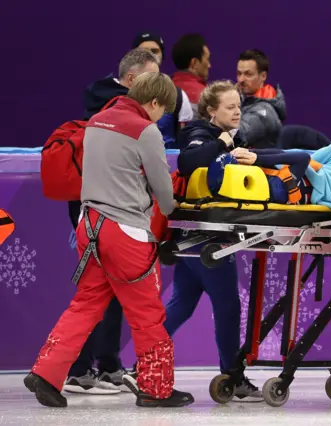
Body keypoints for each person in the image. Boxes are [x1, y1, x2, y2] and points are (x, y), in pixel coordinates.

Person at [24, 72, 194, 408]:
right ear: (156, 102)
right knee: (147, 312)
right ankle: (156, 388)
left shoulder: (97, 121)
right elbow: (163, 191)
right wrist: (175, 206)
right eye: (165, 112)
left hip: (90, 225)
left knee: (86, 303)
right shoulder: (146, 130)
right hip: (126, 230)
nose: (163, 120)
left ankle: (46, 372)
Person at [123, 81, 263, 401]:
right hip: (205, 237)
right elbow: (188, 162)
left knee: (182, 304)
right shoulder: (200, 133)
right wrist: (224, 142)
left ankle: (140, 365)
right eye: (230, 106)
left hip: (200, 236)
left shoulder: (234, 138)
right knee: (227, 306)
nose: (238, 111)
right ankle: (234, 376)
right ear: (212, 110)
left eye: (239, 105)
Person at [63, 48, 162, 396]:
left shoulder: (100, 107)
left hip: (89, 212)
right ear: (134, 80)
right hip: (115, 217)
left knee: (96, 295)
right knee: (115, 296)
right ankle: (95, 369)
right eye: (154, 77)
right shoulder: (126, 115)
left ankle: (92, 366)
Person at [132, 32, 194, 147]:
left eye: (155, 51)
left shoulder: (178, 96)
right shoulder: (121, 93)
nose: (149, 54)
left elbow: (186, 140)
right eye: (143, 50)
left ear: (162, 56)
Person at [237, 49, 286, 149]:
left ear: (263, 76)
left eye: (248, 74)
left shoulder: (264, 111)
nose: (241, 79)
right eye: (239, 73)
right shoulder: (242, 99)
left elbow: (237, 136)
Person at [172, 34, 210, 116]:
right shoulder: (204, 95)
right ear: (194, 62)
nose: (209, 65)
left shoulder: (164, 88)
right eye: (207, 59)